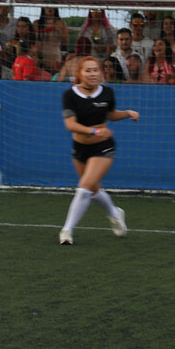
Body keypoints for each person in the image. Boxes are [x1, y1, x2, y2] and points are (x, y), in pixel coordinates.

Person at [57, 57, 137, 245]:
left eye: (95, 70)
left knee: (84, 188)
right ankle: (115, 213)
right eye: (88, 71)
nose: (93, 74)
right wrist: (94, 130)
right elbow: (70, 124)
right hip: (80, 147)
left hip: (103, 146)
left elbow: (110, 114)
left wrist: (127, 113)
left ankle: (67, 231)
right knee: (92, 188)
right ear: (79, 74)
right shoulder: (69, 95)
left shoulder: (107, 92)